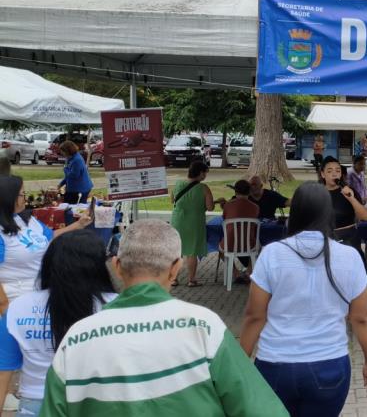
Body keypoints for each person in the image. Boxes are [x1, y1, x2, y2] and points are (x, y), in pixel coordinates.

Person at [40, 220, 288, 416]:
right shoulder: (203, 326)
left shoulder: (75, 339)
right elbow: (260, 408)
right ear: (176, 268)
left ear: (116, 266)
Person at [240, 182, 367, 416]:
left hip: (275, 365)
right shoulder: (350, 256)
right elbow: (360, 318)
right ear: (329, 213)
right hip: (329, 365)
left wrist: (241, 363)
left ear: (295, 213)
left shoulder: (272, 253)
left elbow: (255, 316)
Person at [0, 230, 117, 416]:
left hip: (36, 404)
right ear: (98, 267)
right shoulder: (117, 305)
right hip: (100, 403)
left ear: (49, 263)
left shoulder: (18, 307)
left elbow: (3, 371)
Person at [0, 176, 92, 313]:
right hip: (16, 298)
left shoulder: (27, 219)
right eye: (21, 194)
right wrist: (5, 309)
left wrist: (79, 224)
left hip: (43, 291)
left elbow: (50, 237)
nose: (25, 197)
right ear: (8, 197)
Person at [170, 161, 214, 287]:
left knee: (177, 251)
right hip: (194, 221)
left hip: (177, 220)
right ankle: (191, 279)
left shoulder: (178, 184)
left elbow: (172, 200)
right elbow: (210, 207)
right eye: (205, 173)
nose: (205, 176)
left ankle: (174, 279)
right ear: (200, 173)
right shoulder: (203, 188)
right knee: (192, 251)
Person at [216, 179, 260, 284]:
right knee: (260, 247)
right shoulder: (255, 207)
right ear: (249, 192)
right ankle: (249, 271)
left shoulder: (227, 205)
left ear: (235, 192)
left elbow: (225, 218)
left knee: (221, 250)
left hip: (229, 244)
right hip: (249, 244)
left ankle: (235, 272)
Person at [320, 157, 367, 248]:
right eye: (330, 171)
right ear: (323, 174)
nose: (334, 174)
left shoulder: (350, 191)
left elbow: (365, 217)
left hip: (348, 240)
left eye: (338, 171)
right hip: (324, 241)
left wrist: (351, 198)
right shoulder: (316, 193)